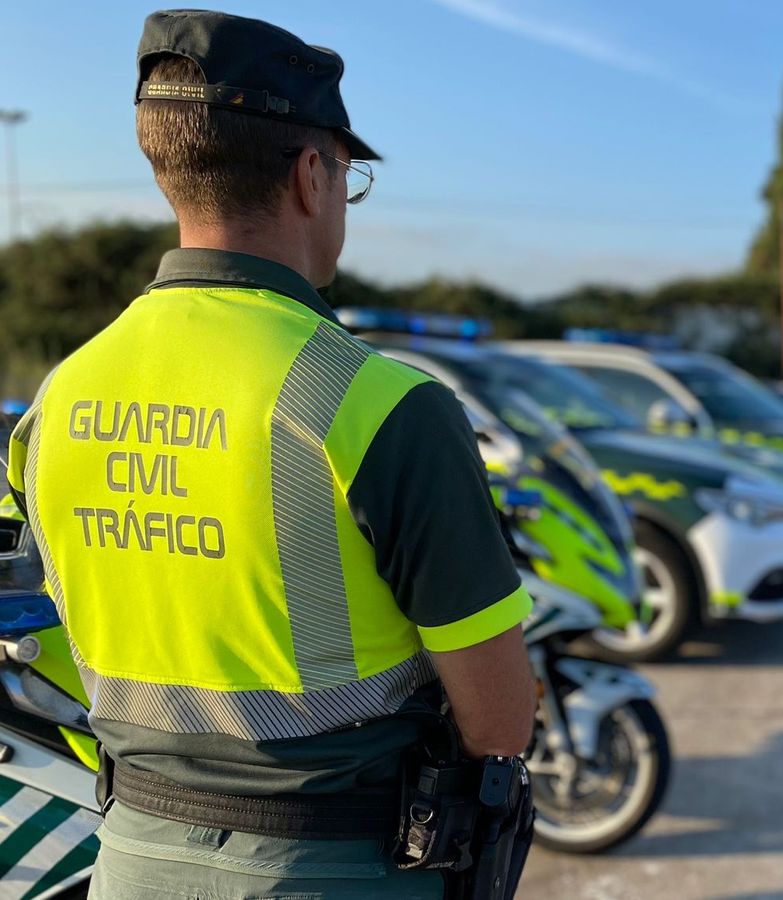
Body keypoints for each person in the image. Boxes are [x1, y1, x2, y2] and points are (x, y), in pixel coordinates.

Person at [5, 11, 537, 898]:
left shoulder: (57, 400)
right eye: (348, 178)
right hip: (340, 867)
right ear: (310, 176)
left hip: (129, 858)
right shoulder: (384, 406)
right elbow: (501, 722)